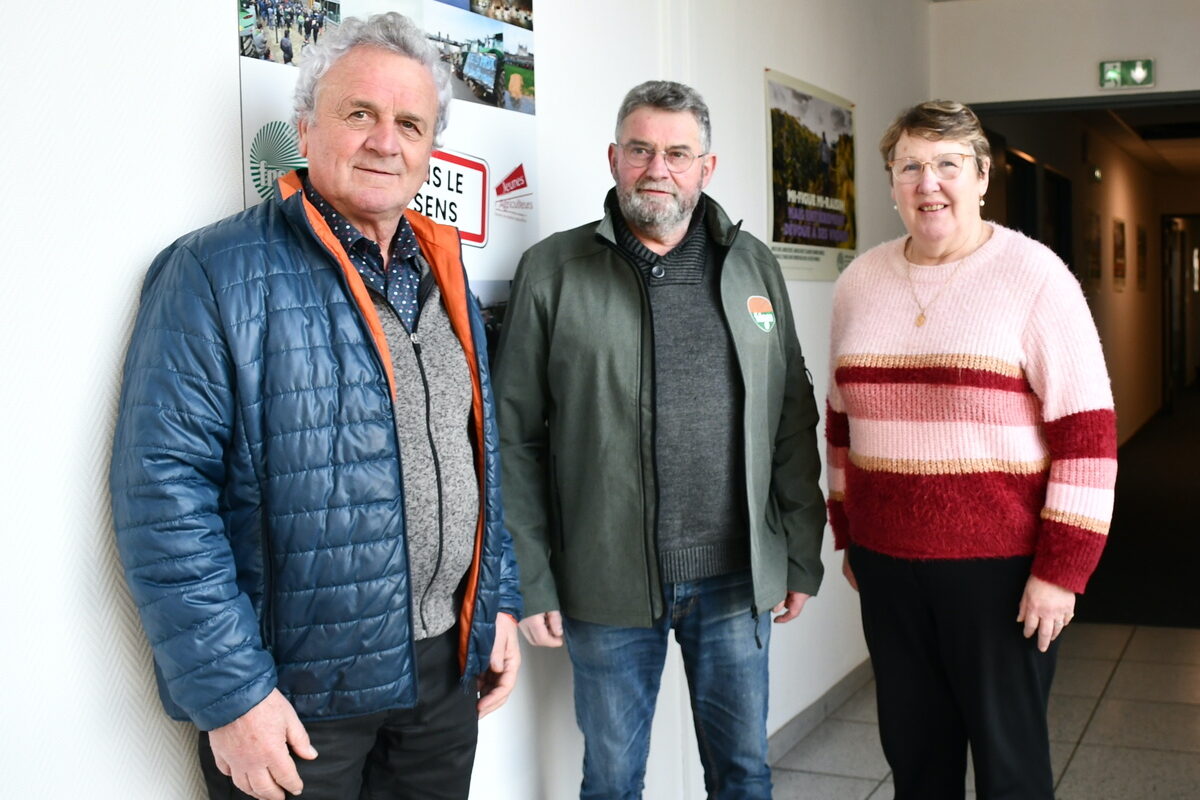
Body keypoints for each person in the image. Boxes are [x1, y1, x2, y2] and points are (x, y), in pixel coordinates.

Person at [110, 12, 521, 800]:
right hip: (296, 698)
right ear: (305, 125)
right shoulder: (211, 271)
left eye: (410, 123)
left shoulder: (445, 276)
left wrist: (497, 599)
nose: (384, 141)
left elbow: (476, 450)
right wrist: (231, 694)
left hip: (440, 678)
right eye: (359, 113)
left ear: (430, 146)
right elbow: (160, 495)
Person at [495, 80, 826, 799]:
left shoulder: (752, 264)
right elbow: (512, 438)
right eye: (641, 150)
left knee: (744, 773)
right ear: (614, 158)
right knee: (611, 781)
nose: (658, 169)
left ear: (707, 168)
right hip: (605, 579)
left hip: (737, 577)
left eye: (678, 153)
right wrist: (532, 576)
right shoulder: (553, 270)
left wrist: (799, 550)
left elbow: (791, 417)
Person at [826, 100, 1117, 800]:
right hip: (889, 567)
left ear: (982, 177)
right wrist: (849, 535)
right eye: (910, 167)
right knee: (915, 758)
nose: (930, 184)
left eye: (948, 165)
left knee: (1009, 767)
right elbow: (839, 423)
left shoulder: (1036, 276)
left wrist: (1062, 571)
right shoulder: (858, 283)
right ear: (892, 184)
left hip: (1003, 575)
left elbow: (1088, 437)